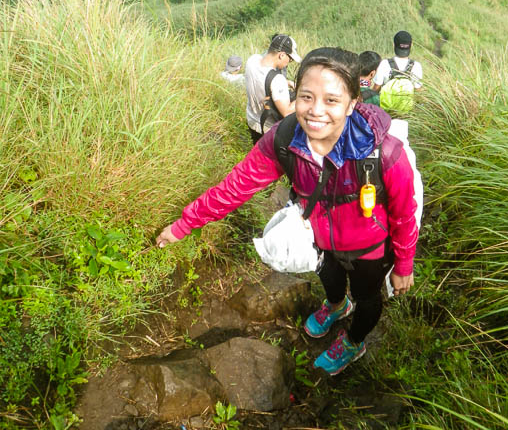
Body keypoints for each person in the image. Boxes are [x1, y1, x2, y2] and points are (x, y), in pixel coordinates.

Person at [157, 47, 419, 376]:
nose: (316, 111)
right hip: (320, 240)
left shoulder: (385, 154)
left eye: (332, 100)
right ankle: (337, 306)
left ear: (353, 103)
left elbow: (404, 213)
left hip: (370, 249)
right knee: (330, 278)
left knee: (368, 297)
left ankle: (354, 341)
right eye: (307, 97)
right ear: (296, 95)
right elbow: (234, 188)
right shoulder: (283, 140)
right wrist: (184, 224)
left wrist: (404, 264)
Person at [243, 35, 301, 145]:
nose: (289, 62)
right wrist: (303, 94)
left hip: (252, 120)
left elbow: (262, 77)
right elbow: (287, 112)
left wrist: (286, 82)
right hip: (267, 129)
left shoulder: (252, 60)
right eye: (290, 59)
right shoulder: (277, 80)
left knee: (257, 151)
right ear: (282, 55)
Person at [371, 31, 423, 116]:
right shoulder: (416, 66)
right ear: (411, 45)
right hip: (407, 113)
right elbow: (419, 92)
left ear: (394, 45)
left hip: (386, 112)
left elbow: (376, 89)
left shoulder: (384, 63)